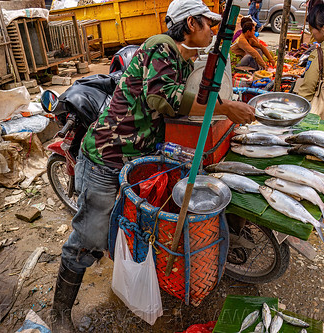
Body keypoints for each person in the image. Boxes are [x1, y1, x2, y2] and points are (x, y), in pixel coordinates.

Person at [49, 0, 256, 331]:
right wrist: (225, 108)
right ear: (190, 24)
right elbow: (162, 99)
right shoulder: (160, 46)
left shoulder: (184, 59)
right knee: (89, 235)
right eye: (207, 23)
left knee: (130, 222)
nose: (212, 29)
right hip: (107, 155)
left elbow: (193, 96)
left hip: (136, 158)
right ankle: (59, 312)